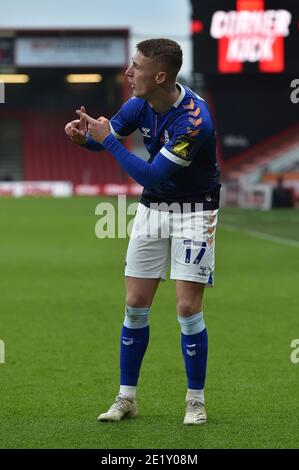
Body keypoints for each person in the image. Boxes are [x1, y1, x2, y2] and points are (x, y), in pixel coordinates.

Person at [65, 38, 221, 425]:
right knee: (135, 305)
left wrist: (106, 140)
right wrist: (86, 138)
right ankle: (127, 398)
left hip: (195, 212)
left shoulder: (194, 120)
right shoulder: (139, 105)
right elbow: (107, 141)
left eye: (136, 66)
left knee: (187, 308)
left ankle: (195, 400)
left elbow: (148, 172)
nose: (128, 72)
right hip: (153, 210)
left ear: (161, 76)